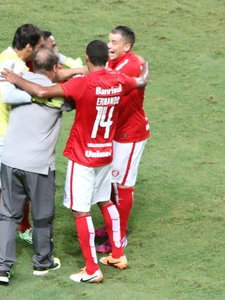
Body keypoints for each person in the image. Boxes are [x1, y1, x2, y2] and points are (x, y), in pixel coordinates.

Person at [1, 40, 149, 283]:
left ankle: (92, 269)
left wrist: (17, 80)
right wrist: (146, 66)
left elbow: (41, 92)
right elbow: (141, 81)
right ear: (107, 60)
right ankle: (118, 254)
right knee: (104, 201)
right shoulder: (120, 80)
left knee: (81, 211)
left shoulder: (83, 83)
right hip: (105, 154)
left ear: (87, 59)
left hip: (82, 156)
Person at [0, 47, 67, 285]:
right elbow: (80, 90)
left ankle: (2, 268)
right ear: (56, 68)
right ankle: (42, 262)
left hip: (10, 160)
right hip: (38, 165)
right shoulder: (58, 94)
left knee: (8, 216)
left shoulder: (18, 83)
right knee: (43, 216)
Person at [0, 24, 43, 261]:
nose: (37, 52)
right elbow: (7, 95)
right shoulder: (14, 64)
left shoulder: (2, 57)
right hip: (1, 138)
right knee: (14, 193)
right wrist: (33, 96)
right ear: (27, 46)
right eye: (37, 47)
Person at [18, 30, 86, 246]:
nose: (56, 50)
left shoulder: (41, 64)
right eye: (52, 46)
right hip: (27, 137)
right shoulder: (28, 71)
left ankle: (23, 228)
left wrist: (82, 70)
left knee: (23, 188)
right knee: (26, 188)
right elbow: (49, 87)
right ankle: (26, 232)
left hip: (33, 139)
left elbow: (59, 74)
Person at [96, 26, 150, 253]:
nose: (109, 46)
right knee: (110, 181)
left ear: (126, 46)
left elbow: (110, 82)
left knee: (123, 185)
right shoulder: (117, 62)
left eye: (114, 43)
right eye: (109, 41)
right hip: (116, 133)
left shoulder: (129, 65)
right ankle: (111, 225)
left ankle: (120, 234)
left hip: (130, 135)